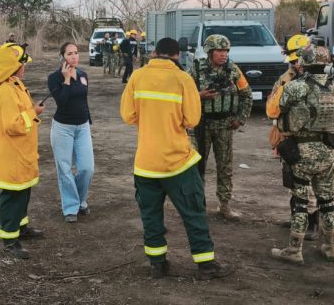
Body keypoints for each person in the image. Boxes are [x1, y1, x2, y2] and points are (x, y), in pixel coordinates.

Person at [120, 37, 231, 280]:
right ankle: (206, 266)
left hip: (146, 164)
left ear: (154, 53)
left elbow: (128, 115)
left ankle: (157, 264)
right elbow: (192, 120)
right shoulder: (183, 79)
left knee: (150, 216)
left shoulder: (137, 77)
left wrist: (150, 119)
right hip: (178, 162)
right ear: (177, 55)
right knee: (193, 213)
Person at [270, 44, 334, 265]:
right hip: (327, 150)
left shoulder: (295, 87)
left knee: (301, 202)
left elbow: (277, 108)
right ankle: (331, 247)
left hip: (300, 151)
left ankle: (294, 250)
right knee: (328, 202)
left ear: (305, 62)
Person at [0, 42, 45, 259]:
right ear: (12, 67)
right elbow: (13, 125)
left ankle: (21, 228)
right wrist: (34, 113)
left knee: (24, 192)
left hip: (21, 153)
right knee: (13, 196)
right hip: (12, 155)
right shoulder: (5, 91)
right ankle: (9, 239)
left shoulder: (15, 85)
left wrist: (31, 110)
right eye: (22, 64)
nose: (25, 68)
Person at [187, 34, 253, 220]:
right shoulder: (197, 69)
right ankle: (198, 206)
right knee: (198, 166)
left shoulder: (233, 70)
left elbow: (246, 95)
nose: (223, 54)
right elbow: (184, 96)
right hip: (202, 125)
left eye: (226, 51)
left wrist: (240, 119)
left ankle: (224, 205)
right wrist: (199, 95)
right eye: (219, 51)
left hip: (225, 125)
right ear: (210, 52)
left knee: (225, 166)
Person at [268, 34, 321, 240]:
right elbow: (272, 108)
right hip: (287, 138)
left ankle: (311, 224)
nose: (294, 65)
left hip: (309, 140)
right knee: (292, 181)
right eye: (292, 61)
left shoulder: (319, 81)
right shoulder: (285, 78)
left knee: (308, 185)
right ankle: (297, 217)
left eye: (296, 61)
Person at [48, 42, 95, 223]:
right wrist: (66, 79)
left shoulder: (83, 75)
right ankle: (70, 208)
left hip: (82, 127)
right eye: (70, 54)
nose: (74, 56)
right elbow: (62, 101)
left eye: (76, 53)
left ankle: (80, 199)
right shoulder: (54, 78)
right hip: (63, 128)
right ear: (62, 56)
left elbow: (83, 101)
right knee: (65, 169)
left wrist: (88, 122)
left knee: (87, 168)